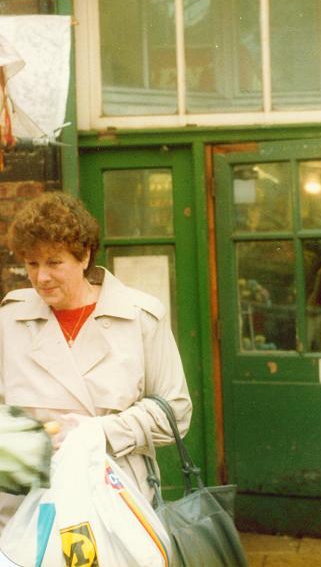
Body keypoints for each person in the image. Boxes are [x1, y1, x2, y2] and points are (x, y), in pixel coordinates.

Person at [0, 192, 192, 528]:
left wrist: (99, 431)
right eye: (32, 264)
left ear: (84, 255)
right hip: (27, 508)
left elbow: (175, 412)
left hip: (116, 505)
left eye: (54, 262)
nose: (41, 277)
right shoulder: (9, 320)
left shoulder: (140, 317)